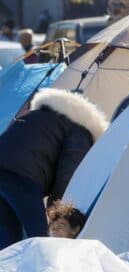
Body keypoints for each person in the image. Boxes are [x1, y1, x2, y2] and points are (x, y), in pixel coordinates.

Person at [0, 88, 108, 249]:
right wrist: (55, 206)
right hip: (23, 177)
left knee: (8, 239)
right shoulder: (80, 131)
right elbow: (67, 171)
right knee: (41, 237)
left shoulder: (36, 115)